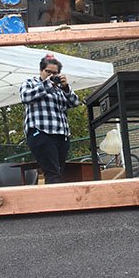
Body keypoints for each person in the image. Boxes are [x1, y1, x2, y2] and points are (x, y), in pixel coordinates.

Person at [19, 54, 80, 184]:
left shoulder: (60, 88)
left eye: (55, 73)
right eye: (48, 72)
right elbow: (25, 97)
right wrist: (48, 85)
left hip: (61, 135)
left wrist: (66, 88)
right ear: (41, 70)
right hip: (40, 132)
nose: (52, 75)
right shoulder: (30, 83)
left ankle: (55, 200)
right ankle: (58, 202)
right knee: (52, 173)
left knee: (58, 172)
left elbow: (75, 103)